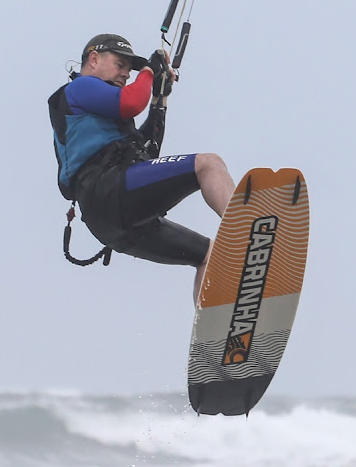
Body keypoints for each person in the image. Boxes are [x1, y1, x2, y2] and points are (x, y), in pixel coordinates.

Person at [48, 34, 235, 301]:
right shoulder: (80, 88)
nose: (125, 73)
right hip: (108, 189)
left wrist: (160, 98)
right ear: (94, 59)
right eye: (120, 64)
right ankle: (247, 230)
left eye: (129, 68)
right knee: (208, 164)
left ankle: (215, 332)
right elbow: (131, 103)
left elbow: (148, 152)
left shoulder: (104, 112)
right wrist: (148, 70)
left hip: (112, 220)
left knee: (208, 254)